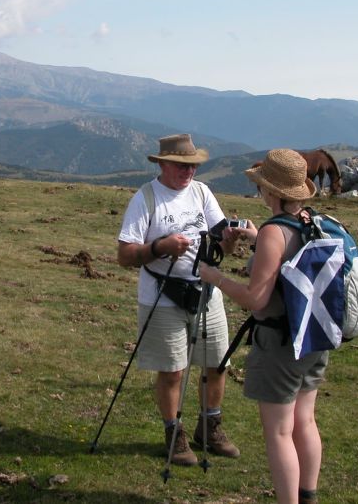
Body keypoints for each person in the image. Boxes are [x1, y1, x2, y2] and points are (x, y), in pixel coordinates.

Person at [198, 149, 325, 504]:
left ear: (269, 191)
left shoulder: (274, 231)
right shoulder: (311, 220)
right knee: (306, 422)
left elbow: (255, 299)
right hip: (314, 337)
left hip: (280, 343)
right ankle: (309, 496)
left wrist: (215, 277)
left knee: (280, 432)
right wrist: (258, 239)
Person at [117, 134, 241, 466]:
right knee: (173, 371)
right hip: (163, 295)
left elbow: (222, 244)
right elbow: (125, 255)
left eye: (194, 165)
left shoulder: (202, 193)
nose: (189, 171)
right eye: (182, 165)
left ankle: (210, 428)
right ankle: (174, 434)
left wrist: (229, 240)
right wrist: (160, 248)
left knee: (217, 363)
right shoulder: (145, 199)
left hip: (205, 293)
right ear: (162, 164)